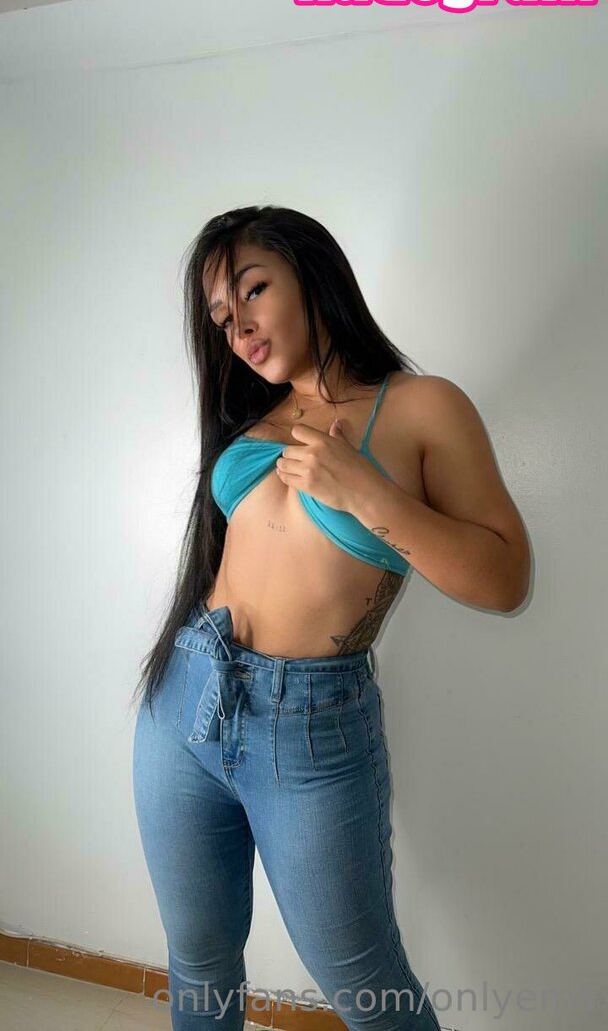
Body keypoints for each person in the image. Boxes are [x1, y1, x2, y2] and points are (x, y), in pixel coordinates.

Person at [130, 205, 529, 1031]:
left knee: (366, 983)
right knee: (198, 959)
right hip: (184, 700)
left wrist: (368, 493)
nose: (237, 328)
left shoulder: (424, 407)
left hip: (309, 728)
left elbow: (504, 579)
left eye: (252, 290)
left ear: (312, 275)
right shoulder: (255, 417)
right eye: (220, 316)